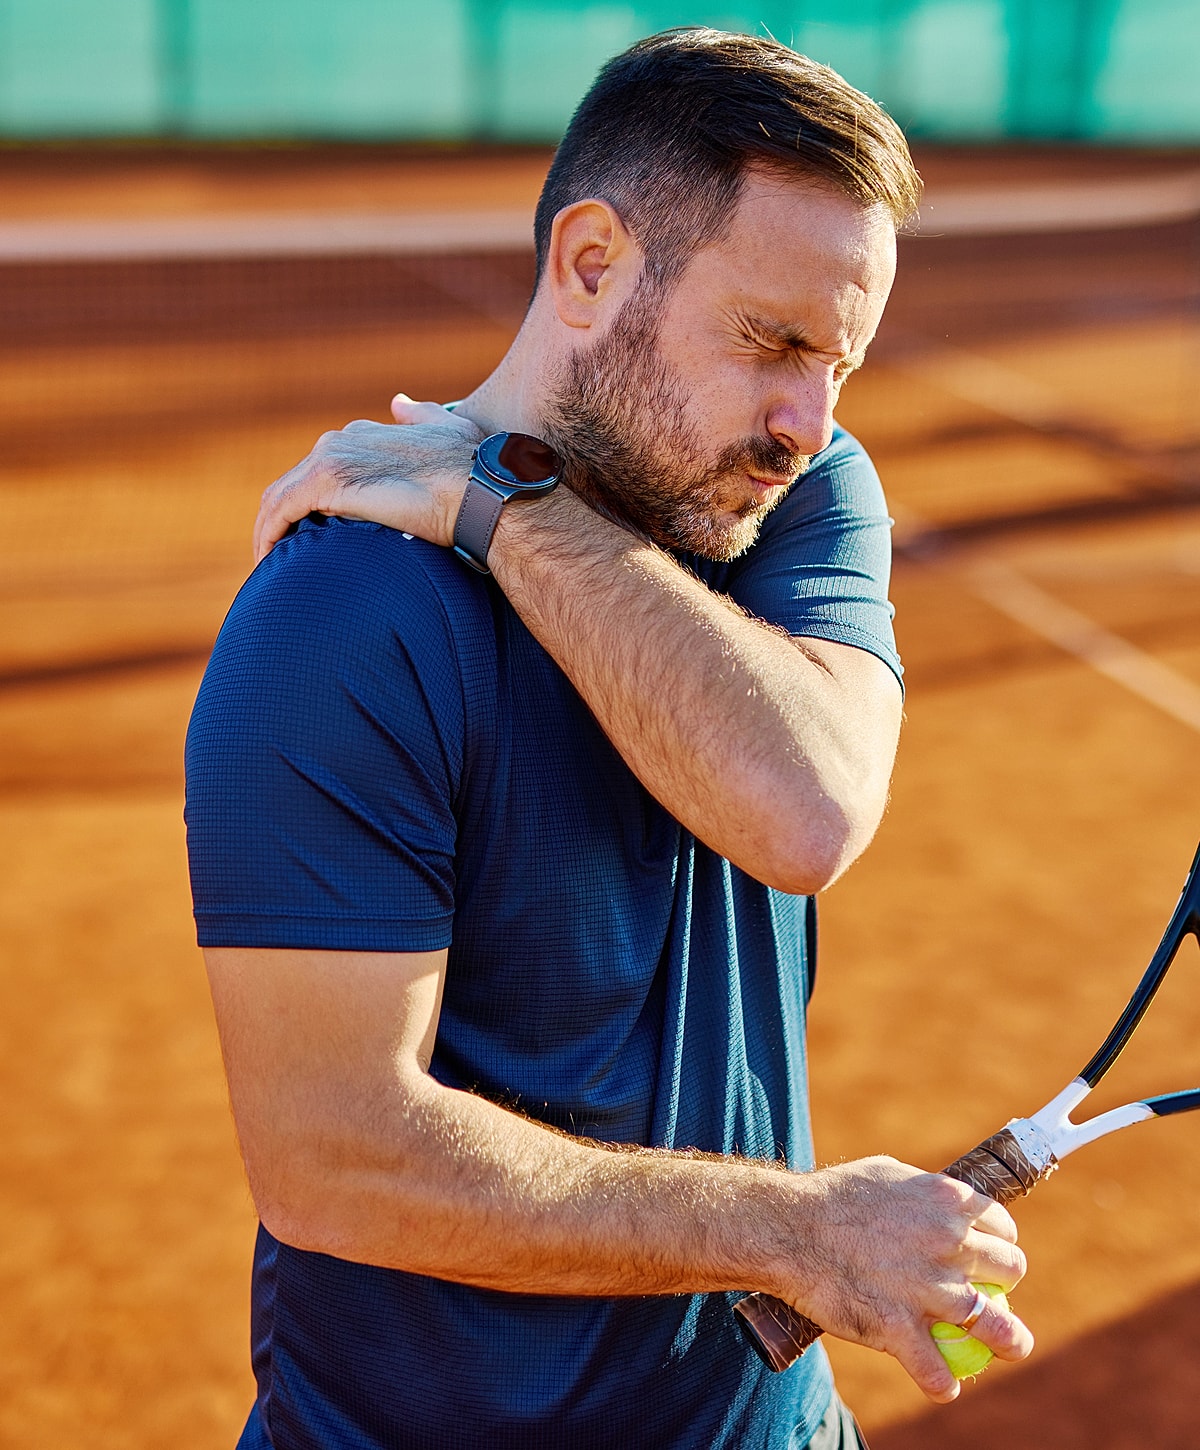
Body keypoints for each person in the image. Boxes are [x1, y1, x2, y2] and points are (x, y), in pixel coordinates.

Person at [185, 27, 1032, 1450]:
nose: (806, 419)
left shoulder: (792, 495)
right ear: (590, 266)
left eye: (843, 363)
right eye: (771, 340)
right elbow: (336, 1157)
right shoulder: (340, 613)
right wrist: (799, 1232)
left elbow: (806, 807)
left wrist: (507, 506)